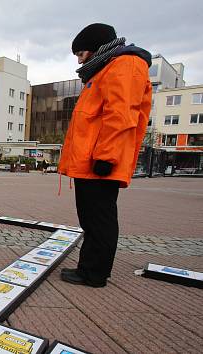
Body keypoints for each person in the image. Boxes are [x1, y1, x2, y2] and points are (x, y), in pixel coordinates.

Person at [58, 23, 152, 287]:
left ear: (96, 47)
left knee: (99, 218)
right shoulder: (103, 69)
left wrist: (106, 157)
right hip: (90, 161)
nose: (79, 59)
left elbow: (120, 116)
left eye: (80, 53)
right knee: (90, 217)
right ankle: (88, 267)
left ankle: (94, 273)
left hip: (100, 162)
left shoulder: (125, 64)